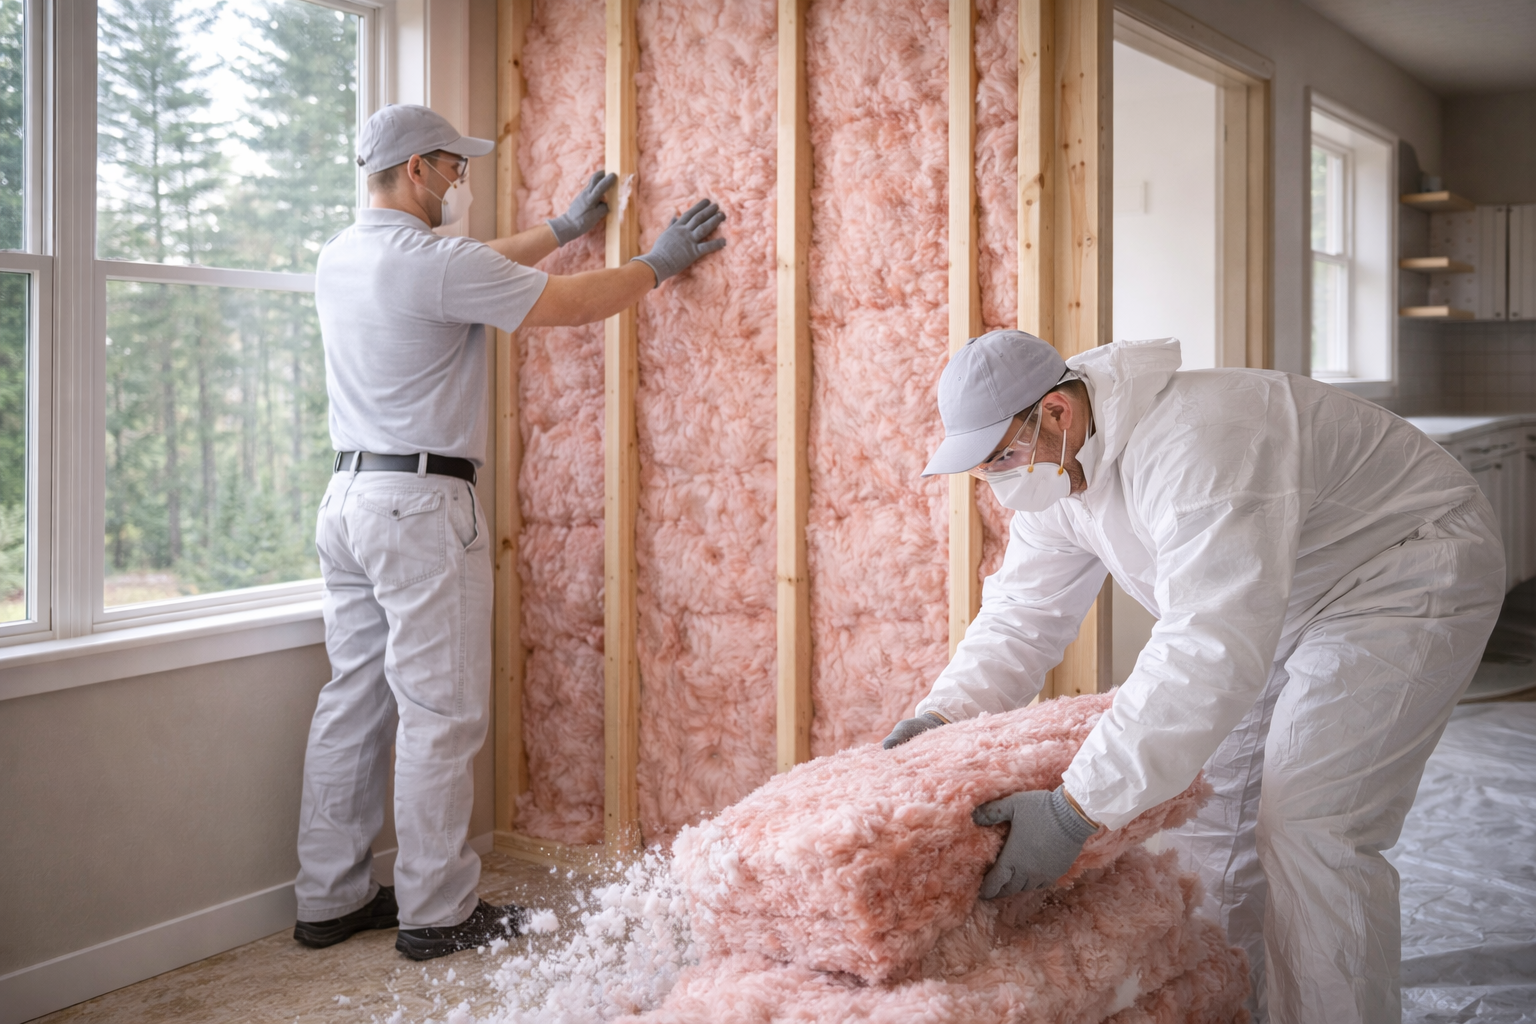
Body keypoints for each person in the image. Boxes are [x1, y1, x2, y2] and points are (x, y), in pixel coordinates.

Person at [883, 330, 1503, 1023]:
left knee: (1309, 821)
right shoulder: (1055, 476)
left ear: (1056, 412)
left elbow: (1208, 644)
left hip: (1400, 570)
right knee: (1208, 821)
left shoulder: (1196, 444)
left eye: (1003, 455)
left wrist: (1074, 809)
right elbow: (1022, 616)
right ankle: (1233, 1009)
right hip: (1275, 597)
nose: (998, 478)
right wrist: (940, 719)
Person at [292, 104, 725, 961]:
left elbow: (472, 267)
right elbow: (567, 306)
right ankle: (437, 913)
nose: (461, 180)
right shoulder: (429, 262)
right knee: (439, 714)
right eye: (454, 166)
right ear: (416, 168)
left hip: (348, 500)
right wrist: (656, 263)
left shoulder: (344, 255)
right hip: (420, 508)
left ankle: (329, 897)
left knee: (352, 699)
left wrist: (562, 227)